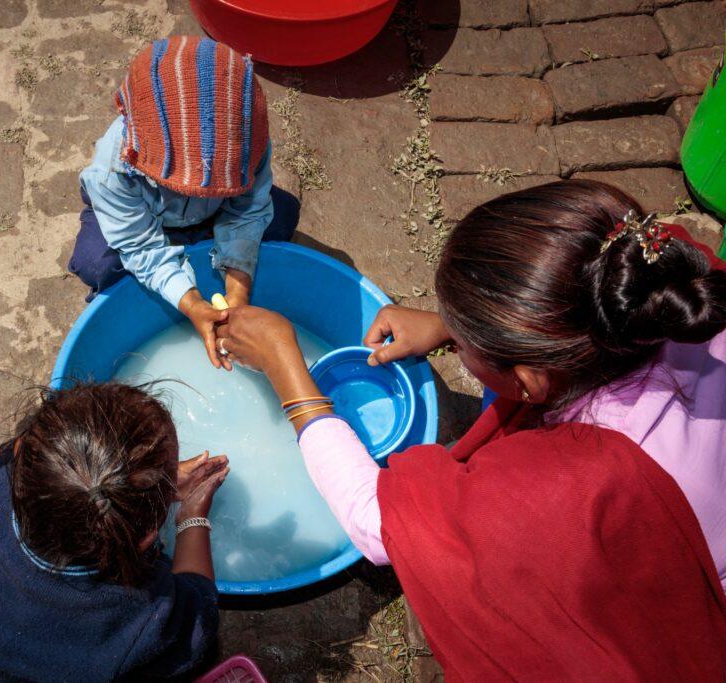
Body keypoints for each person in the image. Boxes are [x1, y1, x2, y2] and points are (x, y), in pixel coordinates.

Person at [214, 180, 726, 678]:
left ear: (530, 381)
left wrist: (288, 371)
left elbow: (378, 522)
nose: (453, 340)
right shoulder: (662, 279)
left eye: (463, 342)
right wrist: (449, 325)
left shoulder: (568, 491)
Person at [0, 382, 229, 682]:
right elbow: (199, 612)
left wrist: (146, 483)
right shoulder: (141, 620)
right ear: (148, 537)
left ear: (23, 448)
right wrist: (191, 517)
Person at [70, 35, 300, 369]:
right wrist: (191, 302)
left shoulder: (247, 141)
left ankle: (202, 246)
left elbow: (248, 210)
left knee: (283, 214)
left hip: (214, 214)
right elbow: (139, 245)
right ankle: (186, 257)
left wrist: (237, 292)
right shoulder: (114, 169)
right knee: (97, 263)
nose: (194, 191)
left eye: (217, 182)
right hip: (139, 218)